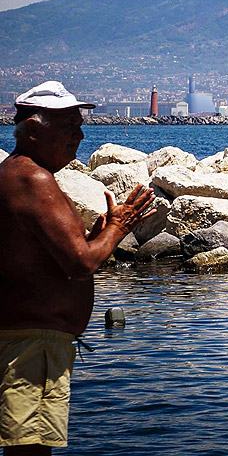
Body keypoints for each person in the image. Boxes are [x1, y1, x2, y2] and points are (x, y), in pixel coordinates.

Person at [0, 81, 155, 454]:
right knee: (31, 449)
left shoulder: (17, 174)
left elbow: (53, 256)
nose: (80, 135)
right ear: (34, 130)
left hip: (27, 341)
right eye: (68, 126)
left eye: (79, 125)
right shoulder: (33, 179)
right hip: (31, 348)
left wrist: (100, 233)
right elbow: (80, 264)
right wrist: (120, 227)